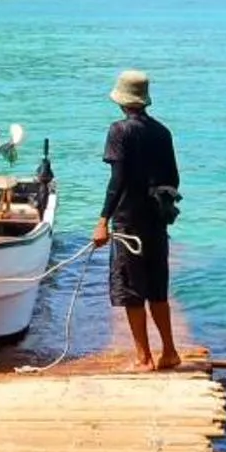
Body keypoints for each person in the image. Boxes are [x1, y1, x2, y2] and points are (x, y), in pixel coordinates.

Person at [90, 68, 181, 371]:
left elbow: (118, 180)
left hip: (128, 223)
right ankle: (169, 351)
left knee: (131, 291)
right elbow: (174, 180)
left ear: (121, 100)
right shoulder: (162, 132)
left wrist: (103, 220)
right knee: (157, 290)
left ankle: (144, 358)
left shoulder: (120, 131)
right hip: (156, 221)